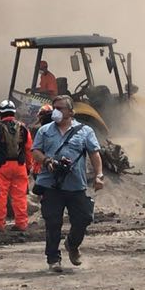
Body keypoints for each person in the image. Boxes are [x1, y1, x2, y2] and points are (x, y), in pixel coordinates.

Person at [31, 95, 103, 272]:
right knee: (53, 222)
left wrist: (99, 175)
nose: (55, 111)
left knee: (84, 218)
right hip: (51, 184)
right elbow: (35, 151)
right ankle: (53, 258)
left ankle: (72, 244)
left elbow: (94, 154)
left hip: (76, 185)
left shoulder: (85, 131)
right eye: (54, 107)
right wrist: (47, 161)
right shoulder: (45, 130)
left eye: (60, 108)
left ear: (71, 111)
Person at [0, 99, 33, 232]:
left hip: (1, 167)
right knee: (20, 197)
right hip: (20, 166)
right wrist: (28, 167)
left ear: (0, 113)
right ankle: (21, 223)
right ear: (14, 112)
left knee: (0, 196)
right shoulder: (24, 128)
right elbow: (28, 149)